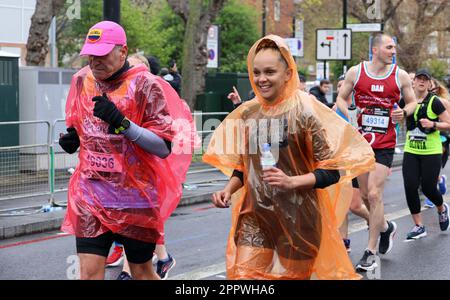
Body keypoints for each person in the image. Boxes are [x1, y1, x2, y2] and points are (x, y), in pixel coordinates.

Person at [203, 35, 375, 279]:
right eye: (256, 72)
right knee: (243, 277)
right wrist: (228, 190)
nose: (261, 79)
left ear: (287, 73)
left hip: (299, 218)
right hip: (255, 216)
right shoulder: (248, 113)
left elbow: (331, 171)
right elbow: (245, 167)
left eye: (270, 72)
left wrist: (292, 181)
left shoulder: (305, 112)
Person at [58, 21, 191, 280]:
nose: (95, 62)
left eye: (102, 55)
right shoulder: (81, 81)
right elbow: (83, 127)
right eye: (91, 55)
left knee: (141, 272)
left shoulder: (146, 86)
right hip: (91, 196)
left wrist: (122, 123)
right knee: (88, 273)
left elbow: (163, 147)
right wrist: (74, 139)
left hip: (135, 197)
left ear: (123, 51)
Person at [336, 32, 417, 271]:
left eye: (394, 48)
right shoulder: (356, 72)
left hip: (384, 143)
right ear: (376, 49)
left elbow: (411, 102)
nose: (394, 52)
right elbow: (341, 98)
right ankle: (385, 228)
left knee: (373, 194)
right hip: (360, 143)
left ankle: (370, 252)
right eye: (390, 47)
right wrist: (350, 114)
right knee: (362, 196)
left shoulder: (399, 75)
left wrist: (405, 112)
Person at [104, 54, 178, 280]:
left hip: (145, 177)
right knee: (133, 228)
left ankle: (129, 270)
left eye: (135, 69)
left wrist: (124, 125)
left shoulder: (154, 93)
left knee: (138, 226)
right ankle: (162, 258)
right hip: (118, 179)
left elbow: (163, 143)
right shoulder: (117, 93)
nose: (129, 73)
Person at [402, 69, 450, 240]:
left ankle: (441, 208)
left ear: (430, 84)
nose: (421, 82)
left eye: (425, 79)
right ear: (413, 82)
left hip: (431, 151)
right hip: (411, 150)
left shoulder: (435, 102)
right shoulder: (406, 101)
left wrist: (433, 124)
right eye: (418, 79)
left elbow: (449, 123)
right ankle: (419, 226)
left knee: (429, 188)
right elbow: (396, 116)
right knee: (410, 186)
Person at [334, 75, 370, 253]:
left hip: (358, 160)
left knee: (355, 205)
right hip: (340, 160)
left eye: (344, 85)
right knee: (342, 204)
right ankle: (344, 241)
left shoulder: (359, 108)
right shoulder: (334, 109)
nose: (342, 88)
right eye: (339, 86)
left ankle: (375, 222)